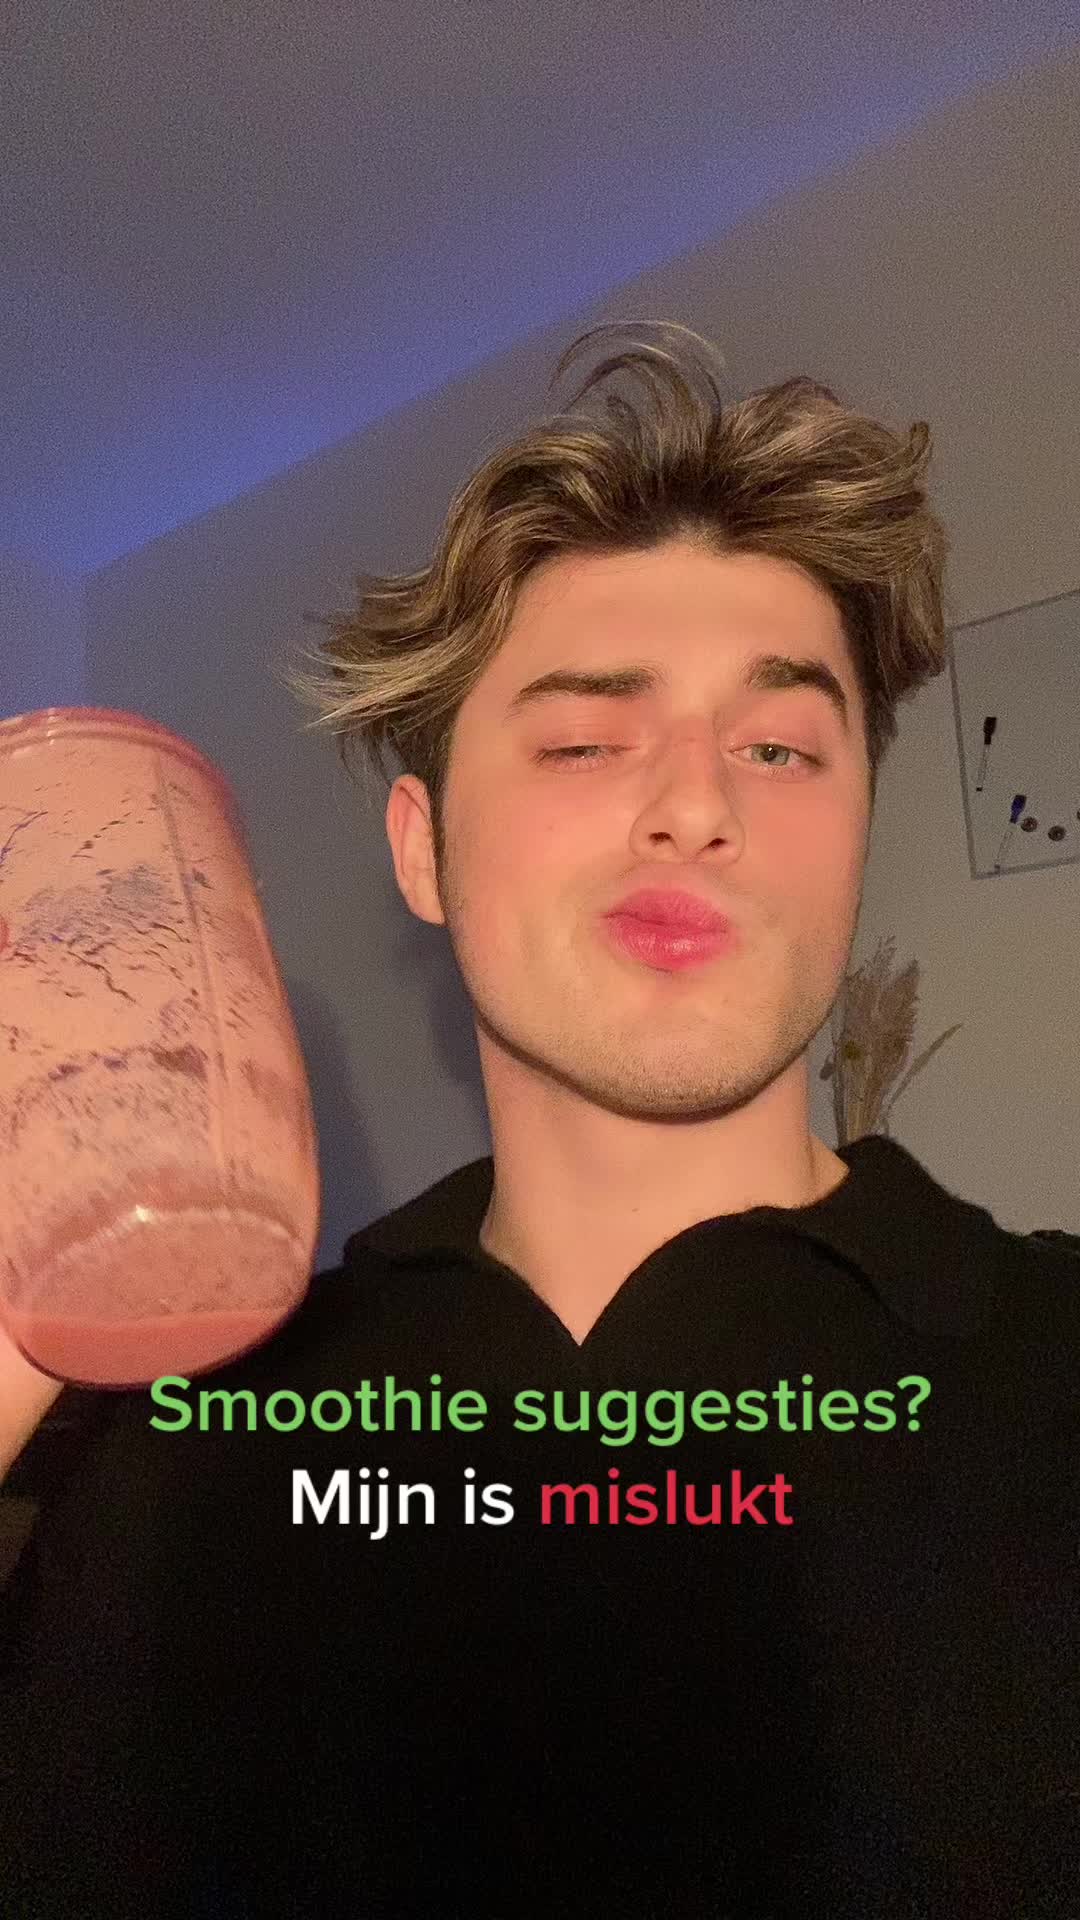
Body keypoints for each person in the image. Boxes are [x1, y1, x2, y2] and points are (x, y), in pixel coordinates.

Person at [1, 322, 1076, 1917]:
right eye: (584, 740)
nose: (699, 802)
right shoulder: (181, 1440)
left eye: (780, 747)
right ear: (422, 850)